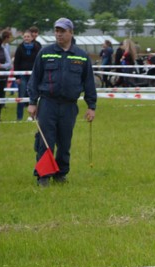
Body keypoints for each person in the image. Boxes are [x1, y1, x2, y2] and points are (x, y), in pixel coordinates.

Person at [27, 18, 96, 186]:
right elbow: (35, 78)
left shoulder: (81, 56)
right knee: (46, 140)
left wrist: (91, 106)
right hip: (48, 103)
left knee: (65, 142)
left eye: (62, 31)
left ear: (71, 32)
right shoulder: (45, 52)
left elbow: (89, 82)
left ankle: (60, 173)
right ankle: (43, 175)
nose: (58, 34)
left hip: (69, 106)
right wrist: (32, 102)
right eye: (56, 30)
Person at [14, 29, 40, 121]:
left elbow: (39, 61)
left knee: (33, 95)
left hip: (34, 75)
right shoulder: (20, 48)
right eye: (25, 36)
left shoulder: (37, 47)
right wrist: (16, 76)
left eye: (28, 36)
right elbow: (16, 63)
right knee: (21, 96)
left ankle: (33, 116)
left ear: (32, 38)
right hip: (22, 75)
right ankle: (19, 117)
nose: (26, 38)